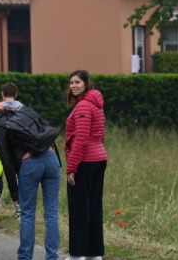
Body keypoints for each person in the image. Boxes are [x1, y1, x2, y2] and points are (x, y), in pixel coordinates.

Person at [0, 82, 61, 260]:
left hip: (29, 163)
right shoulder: (28, 110)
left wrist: (14, 193)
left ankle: (25, 257)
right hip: (51, 158)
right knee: (52, 213)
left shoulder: (0, 121)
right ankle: (52, 256)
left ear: (2, 95)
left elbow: (7, 161)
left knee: (28, 213)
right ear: (16, 94)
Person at [65, 70, 107, 260]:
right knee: (94, 207)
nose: (73, 86)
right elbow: (100, 134)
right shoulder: (96, 105)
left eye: (77, 82)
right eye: (71, 82)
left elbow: (80, 140)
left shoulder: (83, 106)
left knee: (79, 209)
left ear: (86, 84)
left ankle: (78, 254)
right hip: (99, 158)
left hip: (85, 161)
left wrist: (71, 168)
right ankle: (94, 253)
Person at [0, 82, 26, 219]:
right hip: (19, 144)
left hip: (3, 140)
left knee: (9, 170)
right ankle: (25, 204)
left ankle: (17, 205)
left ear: (2, 94)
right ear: (16, 94)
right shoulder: (23, 109)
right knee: (22, 172)